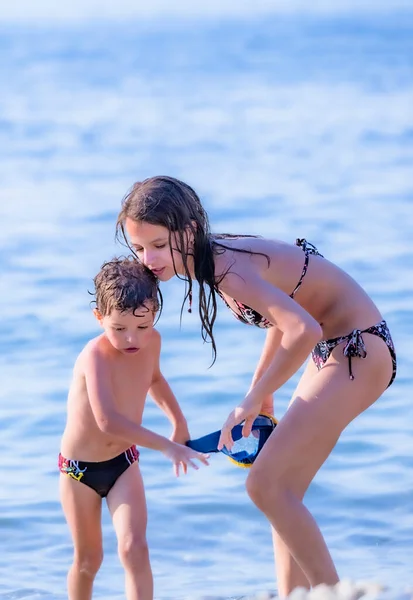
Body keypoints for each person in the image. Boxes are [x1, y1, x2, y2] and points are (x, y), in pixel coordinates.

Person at [115, 175, 397, 598]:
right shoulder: (214, 258)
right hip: (339, 349)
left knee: (265, 484)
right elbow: (284, 313)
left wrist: (250, 399)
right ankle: (294, 595)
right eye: (139, 248)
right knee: (281, 490)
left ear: (188, 231)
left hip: (357, 349)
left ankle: (337, 594)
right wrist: (263, 392)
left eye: (157, 244)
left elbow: (303, 328)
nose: (148, 258)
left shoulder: (225, 268)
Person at [59, 256, 209, 600]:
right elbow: (107, 421)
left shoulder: (151, 342)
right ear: (100, 318)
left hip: (123, 464)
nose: (132, 339)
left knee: (134, 548)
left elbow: (154, 379)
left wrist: (178, 422)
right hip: (79, 471)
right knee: (88, 560)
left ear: (154, 312)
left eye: (142, 326)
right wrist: (167, 446)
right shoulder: (94, 356)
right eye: (119, 328)